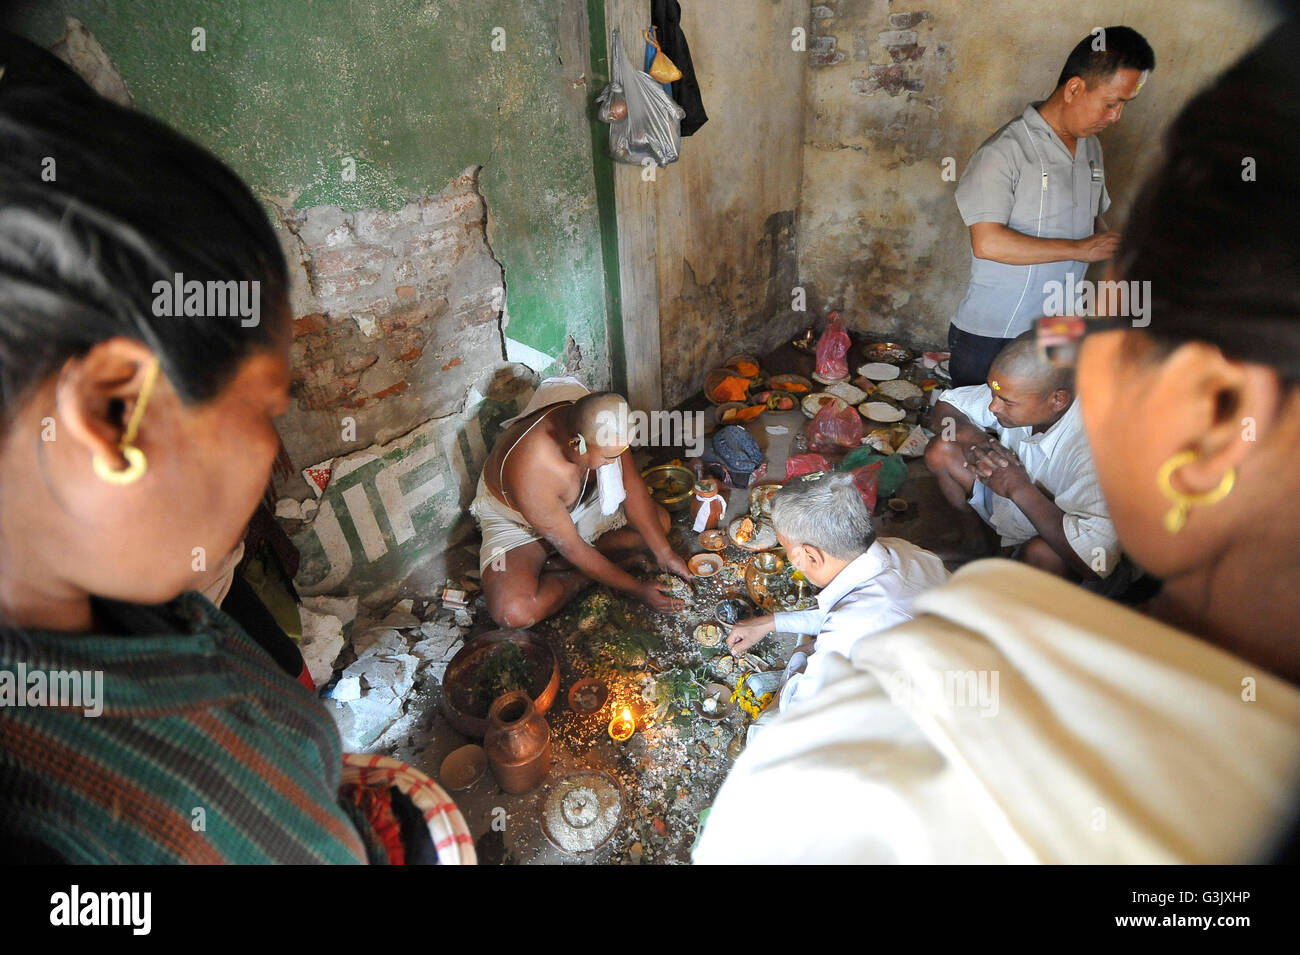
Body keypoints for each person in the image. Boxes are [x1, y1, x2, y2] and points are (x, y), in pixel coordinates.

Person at [695, 16, 1300, 864]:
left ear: (1212, 415)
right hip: (1000, 330)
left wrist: (1015, 488)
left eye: (1110, 339)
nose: (1091, 360)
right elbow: (975, 363)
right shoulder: (1008, 157)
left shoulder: (827, 776)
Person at [0, 43, 426, 863]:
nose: (272, 448)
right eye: (266, 407)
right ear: (115, 413)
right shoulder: (143, 818)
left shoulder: (125, 597)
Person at [947, 26, 1154, 386]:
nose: (1116, 116)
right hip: (995, 330)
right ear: (1075, 88)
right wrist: (1080, 250)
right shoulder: (1004, 152)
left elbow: (1090, 220)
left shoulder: (1091, 149)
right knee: (977, 427)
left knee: (1040, 426)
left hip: (1060, 326)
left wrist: (1116, 248)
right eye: (1111, 103)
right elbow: (988, 243)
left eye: (1123, 105)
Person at [724, 473, 948, 712]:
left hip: (933, 718)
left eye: (787, 549)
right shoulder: (900, 548)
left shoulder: (846, 632)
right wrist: (769, 623)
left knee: (765, 732)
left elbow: (799, 710)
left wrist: (804, 656)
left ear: (811, 556)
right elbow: (850, 609)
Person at [472, 383, 690, 627]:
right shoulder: (532, 469)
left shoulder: (601, 421)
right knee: (513, 611)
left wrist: (665, 553)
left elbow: (632, 486)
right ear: (577, 444)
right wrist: (637, 588)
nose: (614, 462)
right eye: (609, 457)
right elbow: (573, 547)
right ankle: (582, 573)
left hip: (576, 506)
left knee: (659, 524)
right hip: (519, 522)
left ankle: (566, 565)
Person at [924, 332, 1120, 582]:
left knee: (1043, 554)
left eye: (1006, 402)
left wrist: (1018, 487)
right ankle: (975, 546)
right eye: (993, 392)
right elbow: (946, 409)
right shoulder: (1019, 391)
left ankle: (1029, 608)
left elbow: (1095, 562)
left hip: (1061, 547)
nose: (993, 407)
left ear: (1058, 399)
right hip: (1010, 510)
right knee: (943, 448)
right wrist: (977, 440)